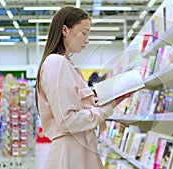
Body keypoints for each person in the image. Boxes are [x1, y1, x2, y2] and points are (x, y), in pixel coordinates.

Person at [35, 6, 128, 169]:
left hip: (76, 149)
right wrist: (108, 107)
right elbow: (68, 121)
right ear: (65, 30)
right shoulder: (56, 63)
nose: (87, 39)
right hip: (71, 152)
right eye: (84, 33)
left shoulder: (65, 64)